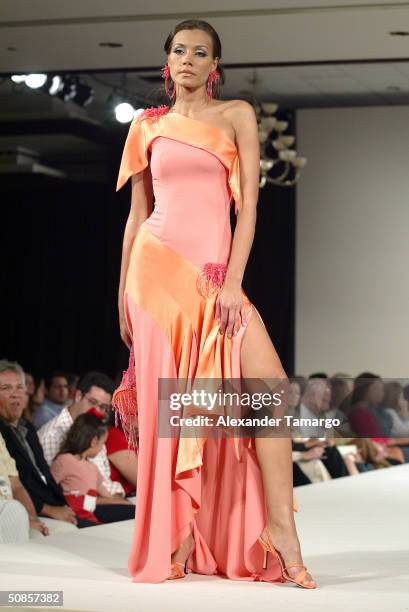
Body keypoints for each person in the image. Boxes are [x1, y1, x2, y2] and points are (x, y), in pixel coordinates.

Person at [113, 19, 316, 587]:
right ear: (167, 62)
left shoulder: (237, 115)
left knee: (268, 392)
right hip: (153, 273)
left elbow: (248, 207)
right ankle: (175, 538)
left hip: (214, 278)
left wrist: (231, 284)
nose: (188, 60)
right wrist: (119, 296)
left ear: (214, 66)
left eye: (200, 52)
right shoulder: (147, 126)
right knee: (176, 407)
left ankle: (281, 531)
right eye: (179, 50)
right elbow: (135, 219)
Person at [0, 360, 94, 532]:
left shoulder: (27, 426)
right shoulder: (2, 433)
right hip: (32, 510)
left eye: (19, 387)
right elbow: (17, 485)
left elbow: (44, 473)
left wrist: (62, 505)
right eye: (6, 388)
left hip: (54, 503)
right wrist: (47, 511)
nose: (15, 394)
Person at [38, 371, 126, 496]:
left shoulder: (96, 428)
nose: (97, 411)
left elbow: (104, 480)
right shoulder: (52, 434)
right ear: (78, 396)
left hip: (109, 498)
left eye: (104, 407)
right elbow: (53, 488)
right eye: (93, 402)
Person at [51, 413, 135, 523]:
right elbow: (50, 487)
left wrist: (127, 504)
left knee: (134, 512)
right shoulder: (65, 460)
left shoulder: (92, 468)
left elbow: (107, 496)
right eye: (102, 444)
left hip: (91, 509)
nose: (102, 449)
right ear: (94, 441)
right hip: (76, 511)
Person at [1, 431, 49, 540]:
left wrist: (34, 520)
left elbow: (16, 486)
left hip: (14, 510)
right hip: (8, 512)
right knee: (13, 510)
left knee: (66, 530)